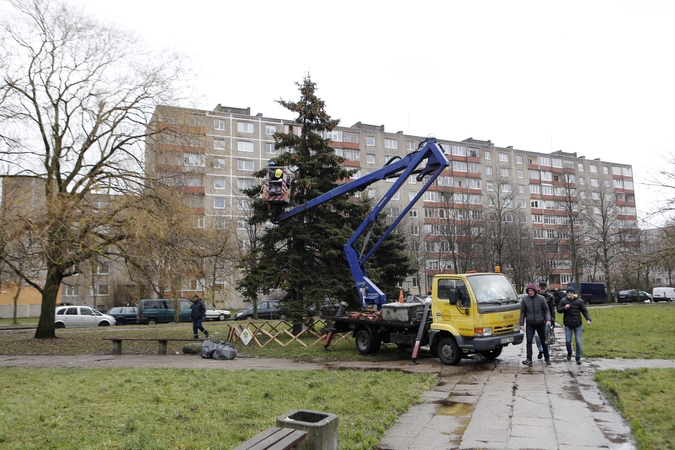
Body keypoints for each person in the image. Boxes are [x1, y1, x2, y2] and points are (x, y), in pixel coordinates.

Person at [557, 287, 592, 365]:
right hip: (568, 324)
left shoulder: (579, 301)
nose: (569, 294)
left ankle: (578, 358)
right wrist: (564, 308)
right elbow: (558, 310)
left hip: (577, 325)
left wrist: (588, 319)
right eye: (568, 293)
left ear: (574, 294)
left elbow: (584, 311)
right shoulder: (563, 301)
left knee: (578, 341)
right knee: (568, 341)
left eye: (571, 293)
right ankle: (569, 352)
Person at [520, 283, 552, 366]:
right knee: (529, 340)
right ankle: (529, 359)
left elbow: (546, 310)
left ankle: (547, 357)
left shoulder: (541, 298)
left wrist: (548, 319)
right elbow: (522, 312)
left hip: (540, 323)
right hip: (530, 323)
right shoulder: (525, 299)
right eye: (529, 291)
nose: (530, 292)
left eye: (532, 290)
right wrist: (521, 323)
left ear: (535, 291)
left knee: (543, 340)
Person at [534, 282, 556, 360]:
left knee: (546, 337)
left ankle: (548, 352)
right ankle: (541, 350)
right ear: (538, 288)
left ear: (546, 288)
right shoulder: (536, 296)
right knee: (537, 336)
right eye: (541, 289)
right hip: (537, 319)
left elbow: (552, 309)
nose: (542, 290)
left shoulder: (550, 297)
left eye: (544, 289)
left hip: (547, 319)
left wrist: (552, 320)